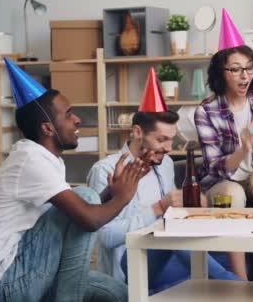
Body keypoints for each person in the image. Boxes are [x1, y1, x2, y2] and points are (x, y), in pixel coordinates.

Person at [0, 59, 147, 302]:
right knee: (86, 197)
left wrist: (111, 194)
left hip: (26, 269)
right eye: (69, 114)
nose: (77, 120)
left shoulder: (44, 158)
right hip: (3, 284)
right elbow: (89, 219)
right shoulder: (30, 160)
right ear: (48, 128)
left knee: (118, 293)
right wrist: (123, 197)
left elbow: (65, 214)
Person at [87, 69, 238, 294]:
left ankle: (237, 286)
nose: (169, 148)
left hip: (169, 257)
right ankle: (244, 291)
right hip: (133, 266)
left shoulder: (164, 163)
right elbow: (105, 236)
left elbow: (172, 214)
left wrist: (191, 206)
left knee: (222, 250)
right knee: (176, 239)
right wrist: (158, 208)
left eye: (171, 140)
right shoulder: (105, 171)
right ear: (138, 132)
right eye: (161, 140)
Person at [194, 9, 253, 282]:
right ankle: (241, 281)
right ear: (221, 72)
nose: (244, 76)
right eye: (235, 70)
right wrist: (243, 151)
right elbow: (215, 166)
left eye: (248, 68)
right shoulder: (206, 111)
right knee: (234, 194)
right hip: (223, 179)